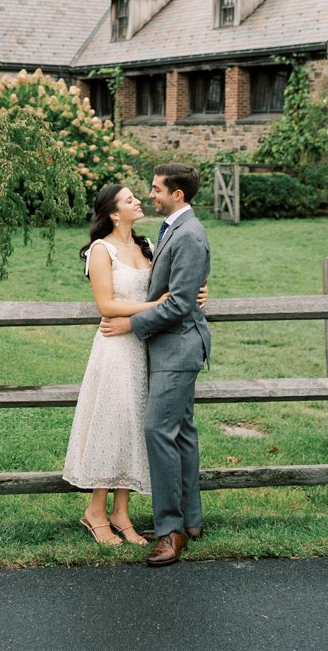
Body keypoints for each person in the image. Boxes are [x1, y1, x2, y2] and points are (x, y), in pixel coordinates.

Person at [101, 162, 211, 567]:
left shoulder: (189, 234)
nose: (151, 195)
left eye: (157, 189)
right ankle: (191, 519)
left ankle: (170, 532)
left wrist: (131, 323)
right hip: (171, 347)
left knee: (158, 431)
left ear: (177, 195)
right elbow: (176, 288)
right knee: (181, 433)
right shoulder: (174, 231)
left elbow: (180, 304)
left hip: (178, 348)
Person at [62, 183, 165, 545]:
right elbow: (106, 305)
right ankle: (95, 510)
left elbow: (172, 284)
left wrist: (200, 290)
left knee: (135, 425)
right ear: (113, 213)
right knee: (113, 421)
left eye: (137, 196)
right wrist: (157, 308)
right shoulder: (100, 250)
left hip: (145, 347)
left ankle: (121, 513)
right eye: (129, 199)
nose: (139, 201)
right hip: (115, 347)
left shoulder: (147, 245)